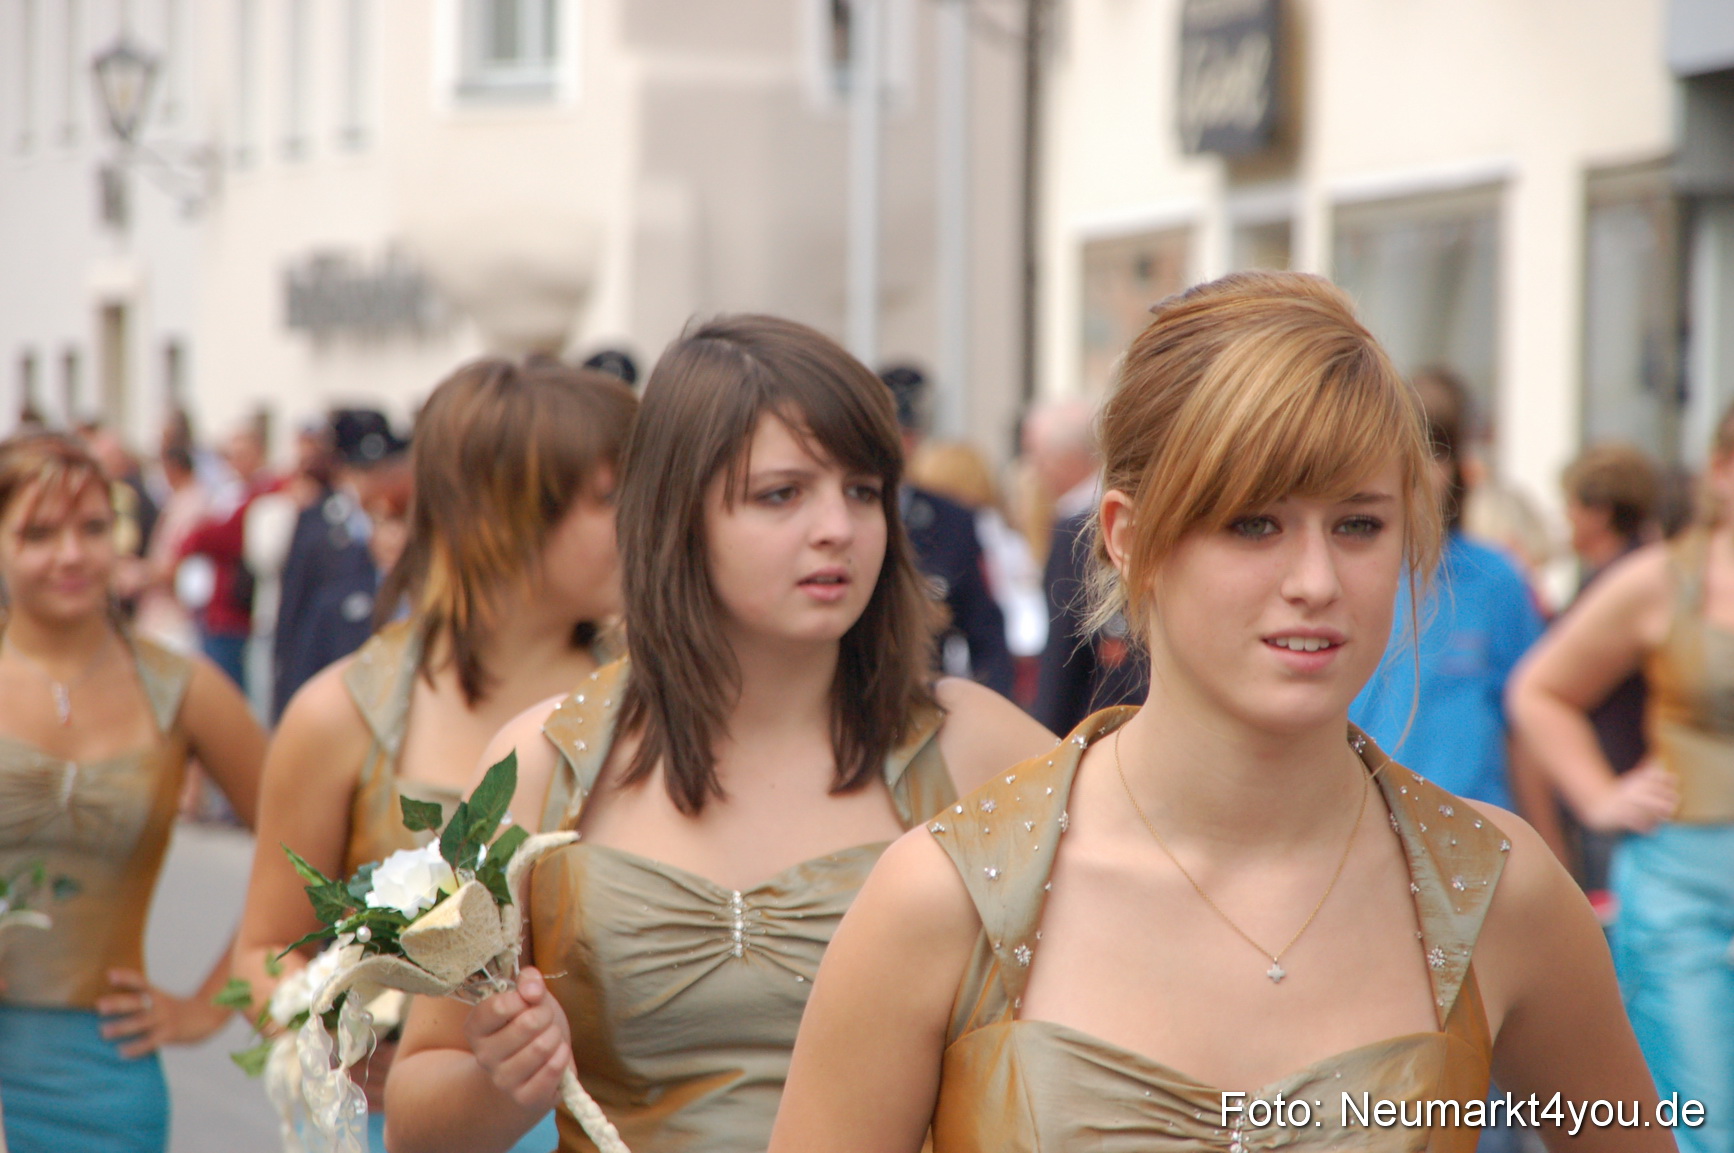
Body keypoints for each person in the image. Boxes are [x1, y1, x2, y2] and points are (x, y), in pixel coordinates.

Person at [769, 271, 1666, 1153]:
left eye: (1358, 525)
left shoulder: (1499, 891)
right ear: (1128, 537)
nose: (1315, 582)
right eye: (1253, 524)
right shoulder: (944, 899)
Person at [385, 315, 1055, 1153]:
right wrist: (500, 1080)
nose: (837, 528)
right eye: (782, 493)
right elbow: (413, 1119)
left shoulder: (979, 747)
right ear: (678, 513)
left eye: (863, 489)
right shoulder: (540, 765)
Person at [231, 359, 636, 1153]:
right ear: (503, 513)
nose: (645, 524)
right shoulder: (341, 714)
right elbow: (257, 950)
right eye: (610, 499)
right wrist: (338, 1017)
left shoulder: (651, 706)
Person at [0, 432, 265, 1153]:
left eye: (92, 528)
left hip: (105, 1077)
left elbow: (308, 849)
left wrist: (212, 1004)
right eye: (38, 532)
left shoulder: (182, 688)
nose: (72, 554)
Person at [1508, 414, 1734, 1153]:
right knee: (1701, 1120)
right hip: (1686, 877)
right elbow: (1539, 690)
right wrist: (1601, 797)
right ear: (1722, 470)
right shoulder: (1663, 578)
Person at [1350, 368, 1547, 817]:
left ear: (1458, 467)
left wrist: (1549, 846)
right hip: (1357, 824)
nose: (1418, 472)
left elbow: (1528, 728)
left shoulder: (1496, 578)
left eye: (1434, 453)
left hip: (1472, 830)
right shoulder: (1345, 571)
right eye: (1404, 453)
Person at [1556, 442, 1662, 899]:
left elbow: (1542, 687)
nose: (1566, 519)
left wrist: (1597, 795)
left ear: (1598, 513)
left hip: (1622, 792)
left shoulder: (1622, 585)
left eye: (1572, 506)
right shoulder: (1641, 572)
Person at [882, 364, 1017, 696]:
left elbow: (985, 630)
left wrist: (994, 708)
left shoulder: (952, 520)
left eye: (910, 435)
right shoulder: (836, 514)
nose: (903, 446)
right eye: (894, 433)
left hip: (921, 704)